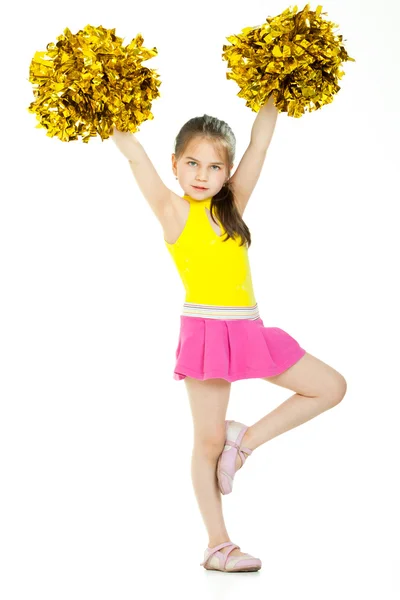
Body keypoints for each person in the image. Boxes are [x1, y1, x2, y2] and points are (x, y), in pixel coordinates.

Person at [111, 96, 347, 573]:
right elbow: (134, 154)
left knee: (331, 387)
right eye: (192, 163)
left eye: (215, 166)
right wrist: (106, 110)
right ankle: (218, 544)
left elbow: (261, 143)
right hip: (204, 334)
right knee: (205, 443)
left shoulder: (232, 205)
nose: (202, 174)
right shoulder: (171, 211)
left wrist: (274, 95)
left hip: (248, 328)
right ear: (175, 164)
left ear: (227, 171)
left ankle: (246, 442)